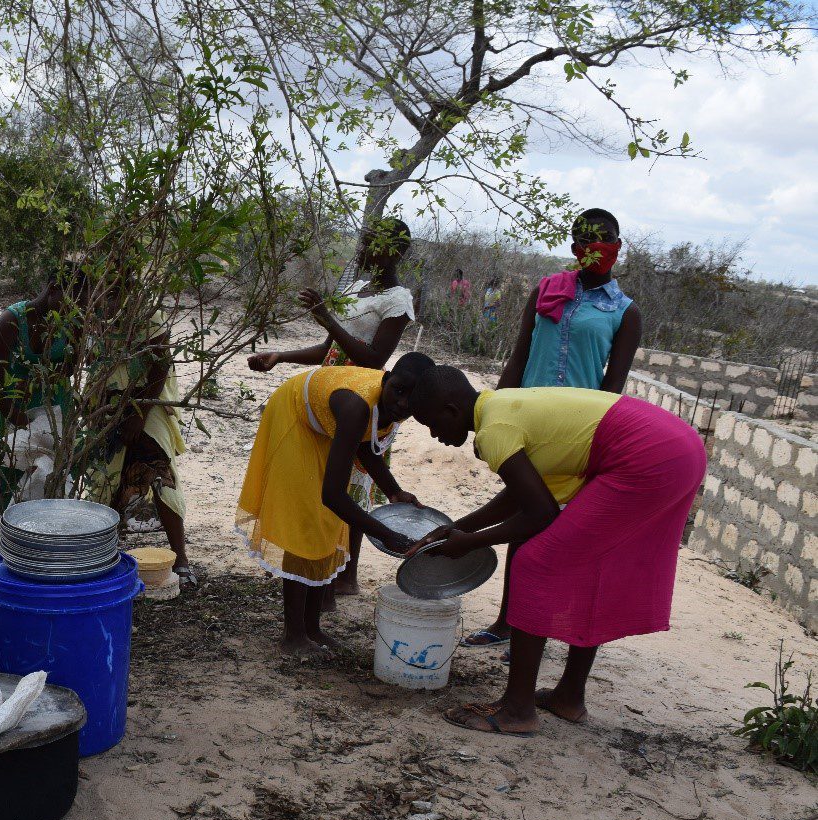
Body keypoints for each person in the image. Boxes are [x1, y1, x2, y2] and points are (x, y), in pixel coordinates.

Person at [407, 366, 705, 736]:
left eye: (431, 424)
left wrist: (469, 542)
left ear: (451, 411)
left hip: (647, 457)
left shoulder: (494, 431)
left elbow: (540, 512)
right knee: (594, 566)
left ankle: (517, 710)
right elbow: (521, 493)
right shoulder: (502, 405)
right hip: (676, 446)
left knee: (534, 562)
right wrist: (460, 527)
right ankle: (568, 697)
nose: (435, 435)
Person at [464, 208, 643, 650]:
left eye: (607, 240)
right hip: (525, 423)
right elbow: (518, 357)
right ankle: (508, 624)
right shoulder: (546, 291)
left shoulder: (625, 312)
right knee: (524, 522)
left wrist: (599, 448)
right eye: (587, 240)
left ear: (618, 248)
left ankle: (536, 629)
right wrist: (488, 419)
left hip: (575, 434)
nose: (596, 248)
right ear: (574, 247)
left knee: (557, 535)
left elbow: (612, 388)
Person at [248, 218, 416, 597]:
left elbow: (374, 358)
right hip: (328, 396)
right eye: (367, 240)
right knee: (326, 482)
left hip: (365, 397)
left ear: (398, 250)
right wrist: (281, 356)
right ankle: (322, 573)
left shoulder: (398, 300)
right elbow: (330, 350)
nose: (368, 249)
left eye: (377, 243)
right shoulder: (358, 288)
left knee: (352, 484)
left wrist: (327, 316)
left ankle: (344, 576)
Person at [236, 353, 435, 656]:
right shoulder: (355, 405)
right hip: (294, 416)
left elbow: (364, 446)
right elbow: (332, 496)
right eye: (399, 390)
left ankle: (313, 628)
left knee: (328, 526)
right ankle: (294, 635)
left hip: (323, 422)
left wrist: (394, 492)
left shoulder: (384, 406)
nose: (403, 403)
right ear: (387, 377)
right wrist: (384, 533)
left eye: (413, 398)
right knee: (305, 523)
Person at [89, 296, 195, 589]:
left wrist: (139, 412)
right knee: (108, 477)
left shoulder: (147, 310)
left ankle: (181, 560)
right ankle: (104, 557)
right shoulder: (96, 299)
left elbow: (160, 363)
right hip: (108, 400)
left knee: (161, 472)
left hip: (147, 400)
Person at [0, 268, 86, 536]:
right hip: (10, 406)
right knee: (0, 478)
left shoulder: (74, 322)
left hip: (53, 411)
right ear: (52, 290)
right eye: (69, 301)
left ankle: (39, 546)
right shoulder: (11, 321)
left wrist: (43, 380)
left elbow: (70, 368)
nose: (73, 310)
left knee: (49, 479)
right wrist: (17, 420)